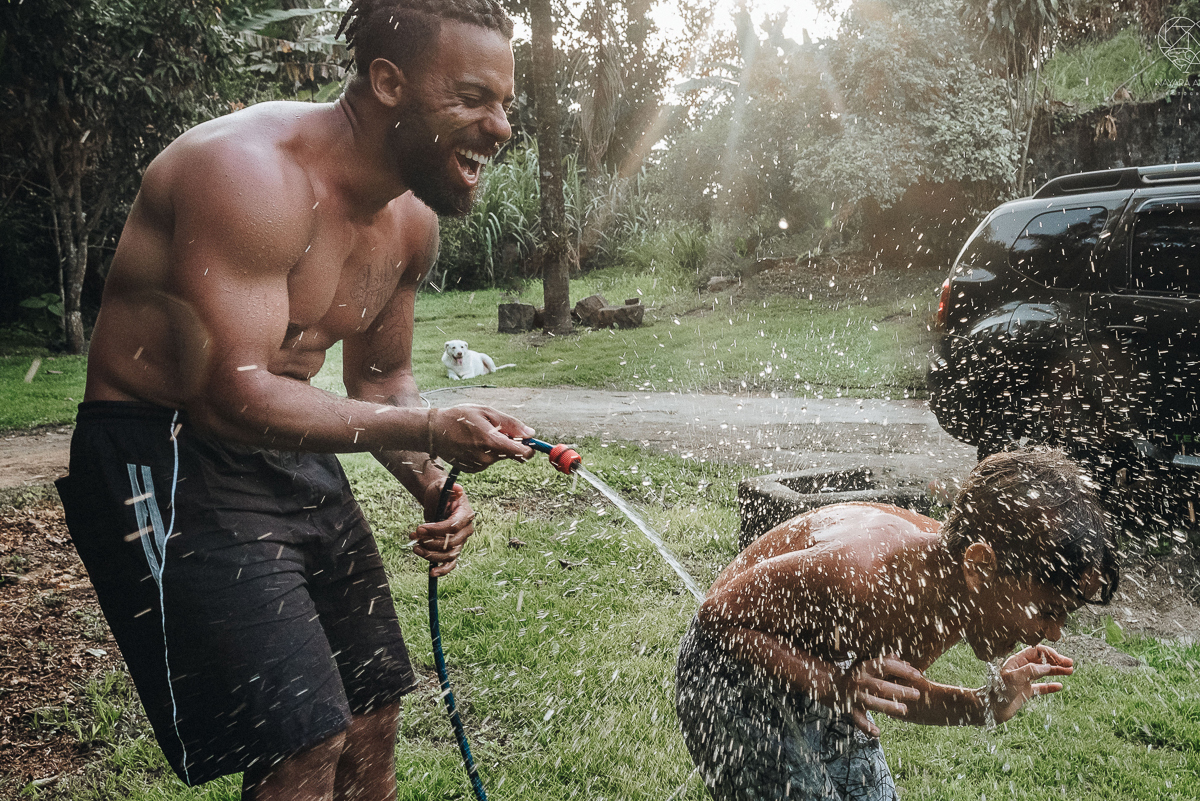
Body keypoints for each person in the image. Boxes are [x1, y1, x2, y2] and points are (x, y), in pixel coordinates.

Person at [52, 1, 531, 798]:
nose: (501, 126)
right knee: (304, 741)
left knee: (374, 715)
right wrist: (425, 427)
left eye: (505, 102)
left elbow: (379, 382)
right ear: (388, 82)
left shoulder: (409, 220)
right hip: (165, 445)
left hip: (281, 435)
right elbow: (229, 394)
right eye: (474, 98)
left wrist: (427, 475)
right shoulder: (247, 173)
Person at [675, 449, 1119, 801]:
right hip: (728, 670)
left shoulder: (950, 591)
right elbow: (716, 614)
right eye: (1048, 609)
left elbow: (896, 691)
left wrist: (985, 703)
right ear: (980, 566)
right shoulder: (864, 575)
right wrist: (825, 681)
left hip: (822, 672)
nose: (1055, 631)